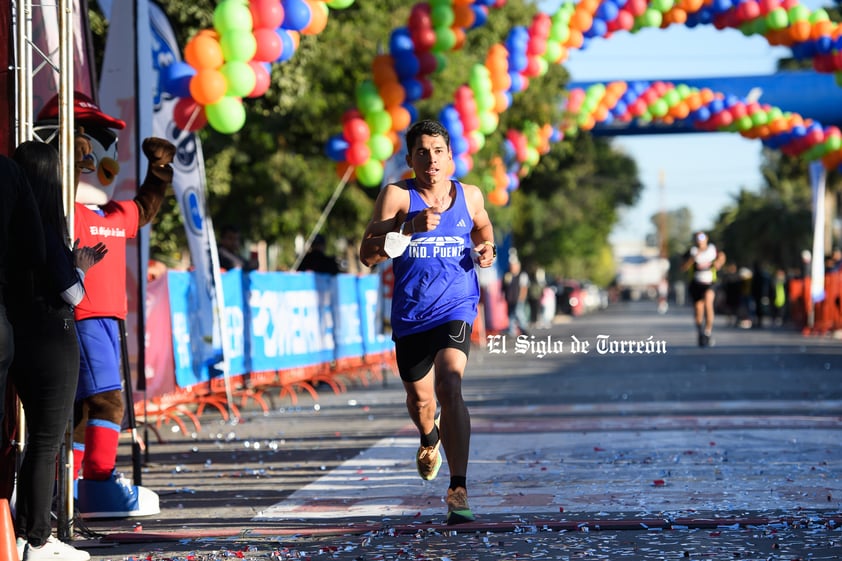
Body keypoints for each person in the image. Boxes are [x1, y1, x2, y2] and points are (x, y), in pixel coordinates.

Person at [37, 92, 174, 517]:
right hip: (82, 314)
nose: (102, 163)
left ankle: (75, 483)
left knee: (86, 406)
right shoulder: (68, 210)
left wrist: (161, 170)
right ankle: (97, 479)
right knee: (107, 401)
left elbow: (146, 209)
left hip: (110, 319)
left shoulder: (114, 212)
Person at [359, 119, 496, 525]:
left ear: (451, 156)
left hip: (456, 306)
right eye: (423, 152)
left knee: (450, 384)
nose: (431, 160)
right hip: (411, 313)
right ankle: (428, 437)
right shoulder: (397, 196)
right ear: (410, 158)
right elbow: (367, 254)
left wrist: (485, 246)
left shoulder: (469, 195)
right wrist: (407, 229)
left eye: (438, 151)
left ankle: (458, 489)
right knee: (422, 402)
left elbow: (483, 225)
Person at [9, 141, 107, 561]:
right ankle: (38, 538)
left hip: (21, 339)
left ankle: (25, 532)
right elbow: (71, 294)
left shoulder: (12, 227)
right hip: (53, 339)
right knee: (47, 441)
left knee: (34, 442)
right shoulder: (45, 229)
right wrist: (80, 266)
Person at [681, 231, 725, 347]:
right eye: (697, 238)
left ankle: (708, 331)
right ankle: (700, 332)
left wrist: (719, 263)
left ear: (706, 239)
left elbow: (722, 256)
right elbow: (683, 268)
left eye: (702, 238)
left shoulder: (712, 250)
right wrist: (692, 259)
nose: (700, 241)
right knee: (698, 310)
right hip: (696, 284)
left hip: (710, 282)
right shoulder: (692, 252)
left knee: (708, 302)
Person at [502, 258, 529, 336]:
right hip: (510, 298)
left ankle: (524, 328)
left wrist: (521, 298)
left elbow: (524, 288)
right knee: (511, 315)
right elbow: (504, 287)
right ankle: (511, 331)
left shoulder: (522, 275)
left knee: (519, 313)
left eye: (513, 266)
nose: (512, 268)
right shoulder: (508, 275)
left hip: (519, 298)